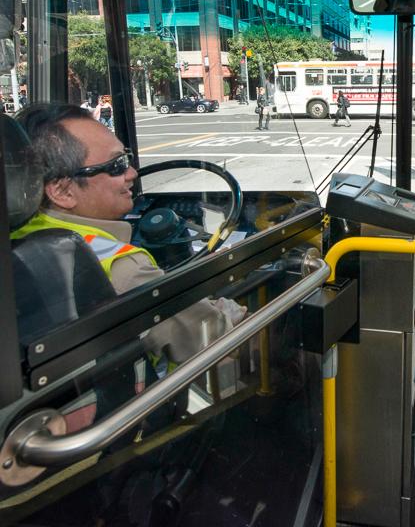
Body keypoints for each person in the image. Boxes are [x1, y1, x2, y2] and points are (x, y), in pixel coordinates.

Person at [12, 104, 243, 369]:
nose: (132, 173)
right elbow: (211, 336)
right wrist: (227, 310)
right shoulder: (124, 268)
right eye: (116, 165)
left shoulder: (20, 235)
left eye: (127, 157)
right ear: (63, 192)